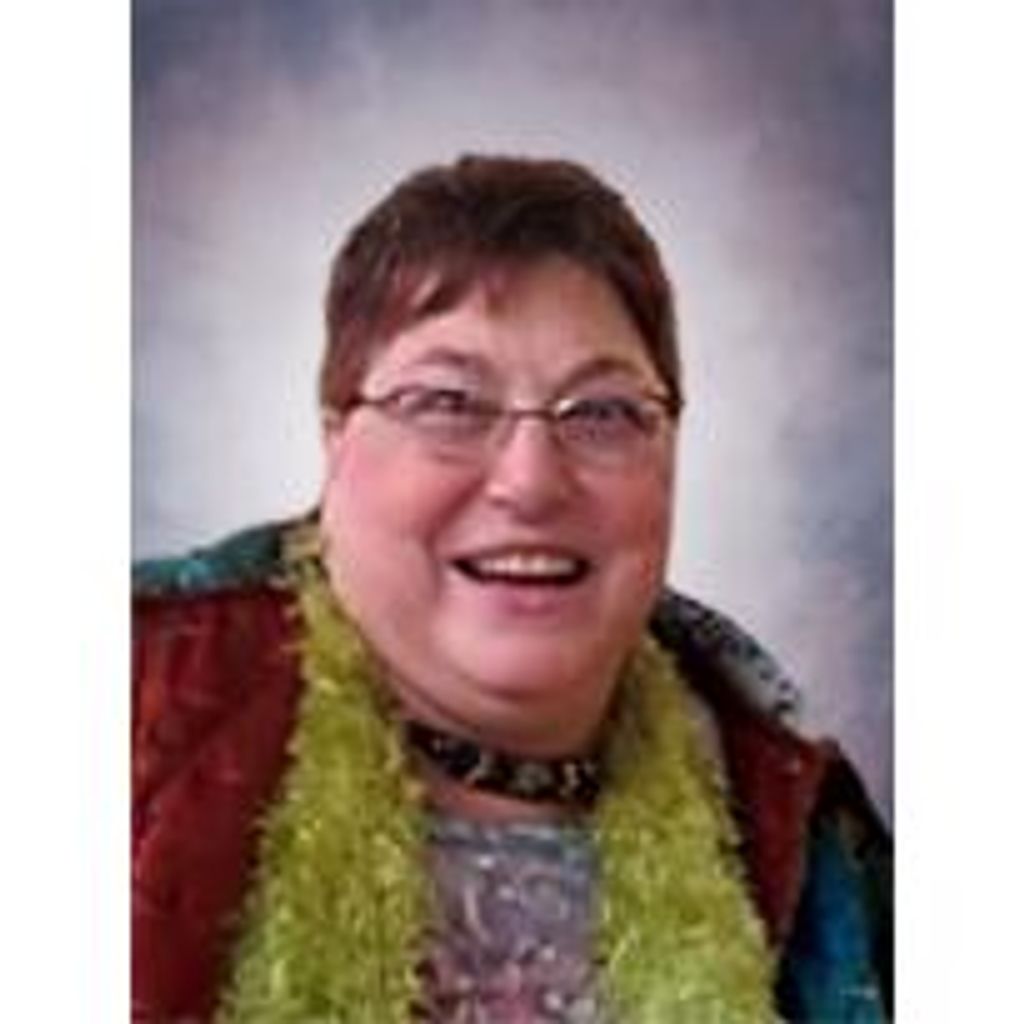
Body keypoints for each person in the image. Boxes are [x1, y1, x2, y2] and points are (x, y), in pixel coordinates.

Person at [133, 155, 891, 1023]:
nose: (530, 483)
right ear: (336, 438)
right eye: (449, 403)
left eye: (601, 413)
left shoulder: (799, 816)